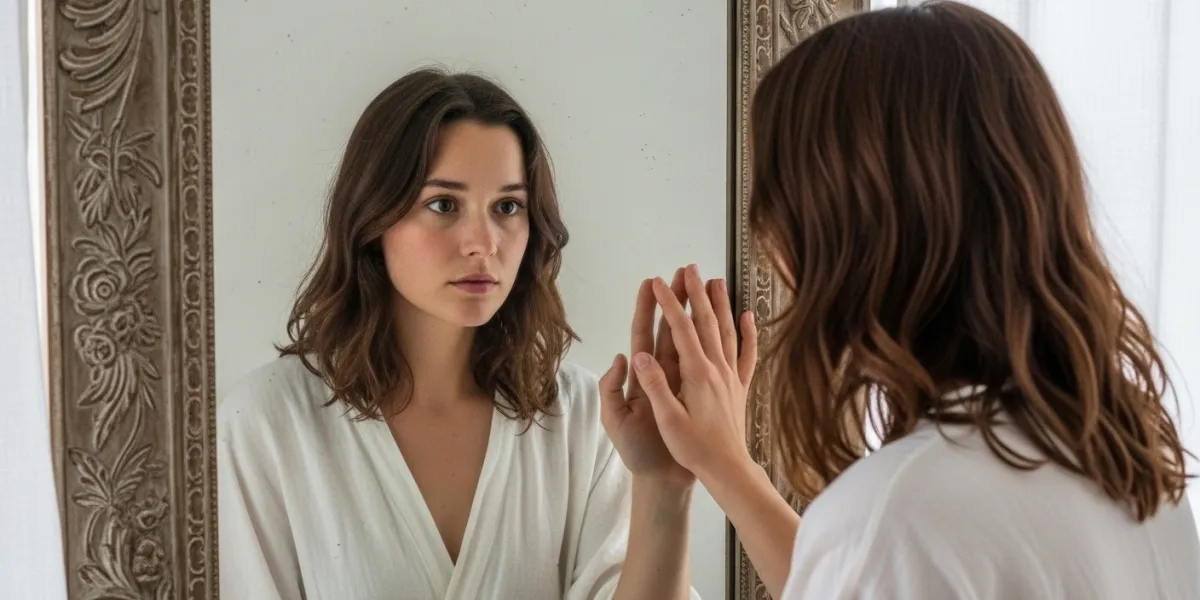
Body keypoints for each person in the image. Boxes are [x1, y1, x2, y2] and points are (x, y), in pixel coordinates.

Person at [628, 3, 1200, 599]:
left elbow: (887, 552)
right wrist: (722, 464)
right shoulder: (1135, 470)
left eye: (781, 198)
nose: (768, 236)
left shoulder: (901, 515)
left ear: (848, 228)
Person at [217, 68, 700, 599]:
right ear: (372, 218)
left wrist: (664, 486)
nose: (482, 242)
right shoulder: (266, 420)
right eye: (444, 205)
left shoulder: (586, 419)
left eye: (507, 207)